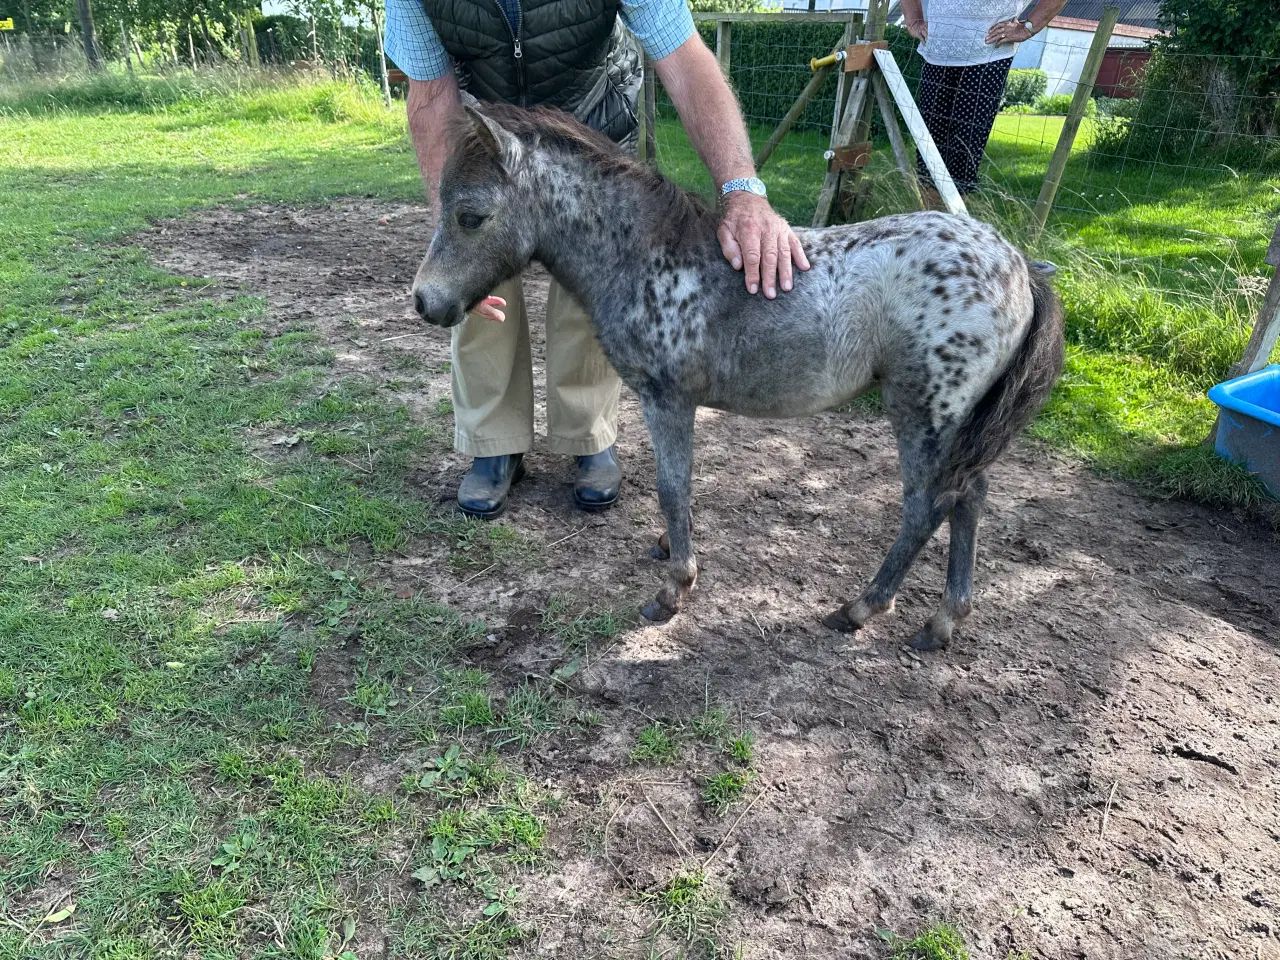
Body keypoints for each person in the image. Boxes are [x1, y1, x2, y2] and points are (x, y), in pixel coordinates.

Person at [385, 0, 809, 520]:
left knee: (593, 275)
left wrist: (742, 189)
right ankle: (493, 441)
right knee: (479, 260)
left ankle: (588, 434)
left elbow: (683, 58)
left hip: (589, 124)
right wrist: (453, 234)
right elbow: (431, 95)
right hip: (485, 132)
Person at [900, 0, 1068, 205]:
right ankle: (931, 220)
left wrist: (1028, 27)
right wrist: (913, 20)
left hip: (986, 58)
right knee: (928, 150)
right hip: (935, 54)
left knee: (963, 154)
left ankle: (954, 221)